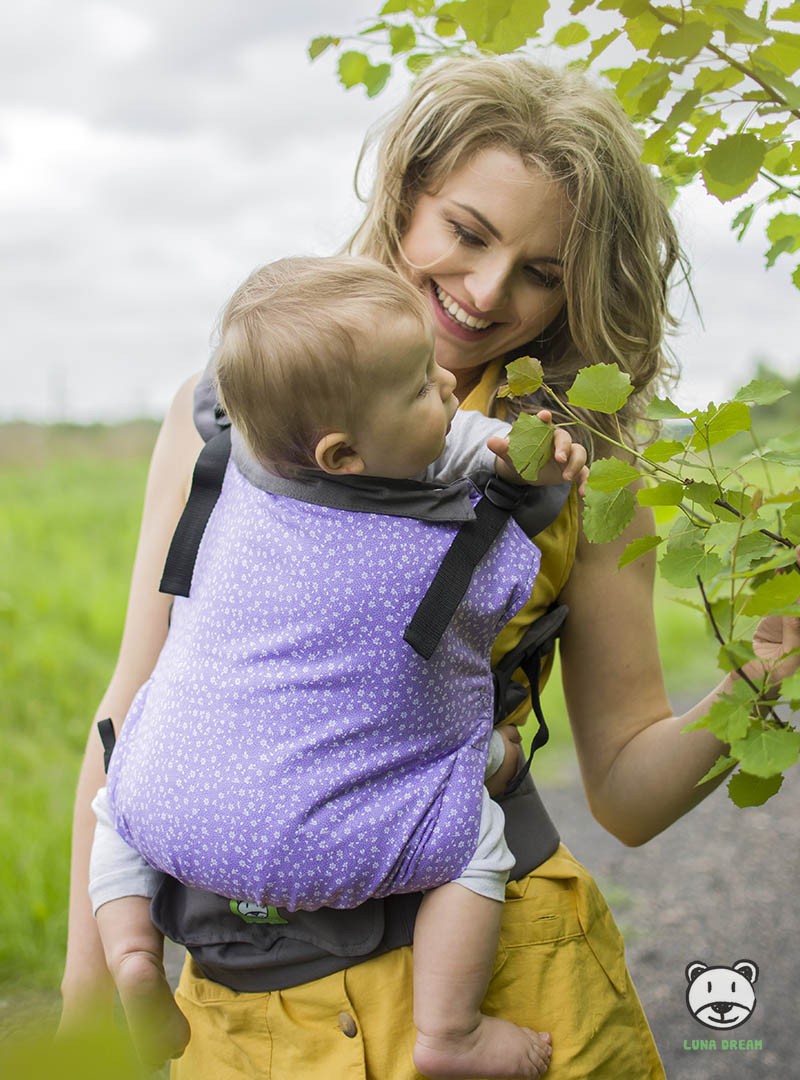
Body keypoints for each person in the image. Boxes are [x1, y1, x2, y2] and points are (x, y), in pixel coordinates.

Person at [59, 54, 800, 1079]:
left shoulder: (577, 466)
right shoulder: (227, 415)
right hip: (242, 1021)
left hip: (505, 977)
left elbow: (625, 787)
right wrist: (86, 1017)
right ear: (407, 196)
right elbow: (133, 709)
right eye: (467, 233)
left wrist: (760, 683)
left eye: (542, 270)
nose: (489, 293)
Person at [87, 254, 588, 1077]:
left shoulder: (235, 476)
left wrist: (465, 431)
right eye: (423, 389)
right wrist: (523, 464)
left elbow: (437, 441)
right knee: (476, 844)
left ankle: (134, 956)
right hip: (334, 846)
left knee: (119, 805)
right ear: (343, 455)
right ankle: (450, 1035)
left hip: (176, 816)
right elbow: (455, 464)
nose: (446, 387)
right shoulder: (433, 548)